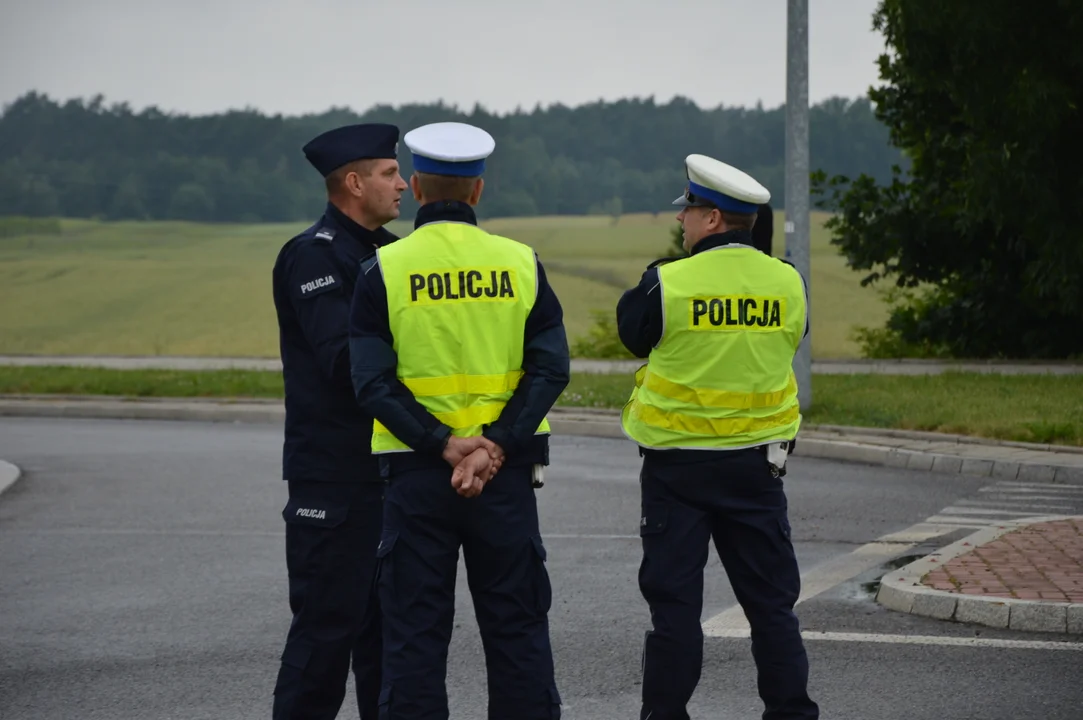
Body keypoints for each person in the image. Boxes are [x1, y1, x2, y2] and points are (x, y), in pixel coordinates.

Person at [348, 121, 569, 720]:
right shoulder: (521, 264)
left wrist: (443, 444)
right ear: (477, 192)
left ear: (416, 187)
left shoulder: (383, 269)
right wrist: (493, 447)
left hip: (417, 477)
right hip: (507, 477)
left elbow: (372, 382)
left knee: (414, 638)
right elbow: (550, 370)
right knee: (517, 631)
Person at [615, 154, 819, 720]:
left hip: (676, 471)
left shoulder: (669, 281)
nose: (681, 221)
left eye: (689, 211)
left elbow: (632, 333)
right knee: (773, 608)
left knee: (675, 611)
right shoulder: (789, 281)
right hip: (758, 468)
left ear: (712, 219)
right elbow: (794, 336)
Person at [270, 123, 408, 720]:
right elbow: (344, 363)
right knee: (326, 635)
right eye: (388, 173)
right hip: (335, 478)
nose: (403, 184)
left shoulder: (392, 256)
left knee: (389, 645)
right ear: (353, 182)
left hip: (391, 473)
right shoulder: (316, 255)